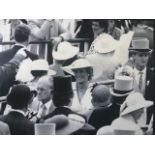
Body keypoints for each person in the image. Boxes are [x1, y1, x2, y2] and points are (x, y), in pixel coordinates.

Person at [128, 38, 155, 124]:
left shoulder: (152, 75)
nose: (144, 59)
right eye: (140, 55)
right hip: (130, 117)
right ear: (133, 56)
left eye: (146, 55)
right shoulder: (127, 74)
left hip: (149, 119)